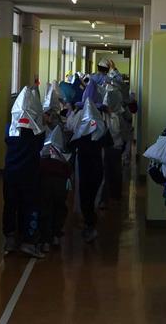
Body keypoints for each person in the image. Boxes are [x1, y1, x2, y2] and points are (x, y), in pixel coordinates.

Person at [3, 86, 46, 259]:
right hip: (30, 174)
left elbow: (8, 139)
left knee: (10, 204)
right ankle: (28, 240)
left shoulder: (9, 129)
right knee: (30, 205)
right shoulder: (38, 133)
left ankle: (10, 239)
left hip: (11, 173)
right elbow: (40, 145)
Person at [70, 96, 107, 243]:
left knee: (85, 197)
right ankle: (90, 224)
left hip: (84, 169)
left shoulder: (80, 134)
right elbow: (109, 142)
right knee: (92, 197)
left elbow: (70, 145)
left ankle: (89, 224)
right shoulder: (101, 131)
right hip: (97, 168)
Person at [39, 126, 72, 253]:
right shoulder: (63, 154)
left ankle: (46, 239)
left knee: (46, 208)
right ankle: (55, 235)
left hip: (46, 180)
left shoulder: (44, 153)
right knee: (59, 207)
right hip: (60, 181)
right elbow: (68, 168)